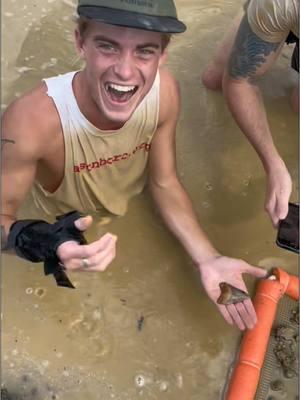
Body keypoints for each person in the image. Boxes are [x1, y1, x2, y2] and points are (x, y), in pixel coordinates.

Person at [1, 0, 266, 330]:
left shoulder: (165, 92)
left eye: (144, 52)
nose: (125, 72)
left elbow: (163, 182)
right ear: (80, 42)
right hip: (64, 220)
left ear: (163, 55)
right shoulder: (29, 123)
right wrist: (46, 243)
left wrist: (208, 258)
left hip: (129, 198)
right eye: (108, 46)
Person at [202, 0, 299, 228]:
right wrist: (274, 165)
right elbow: (240, 83)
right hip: (277, 11)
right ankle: (255, 19)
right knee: (215, 79)